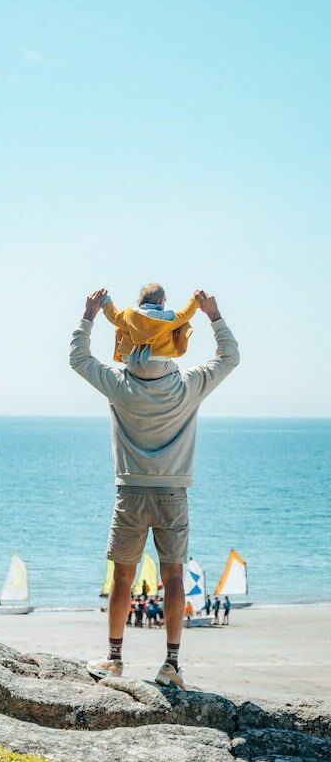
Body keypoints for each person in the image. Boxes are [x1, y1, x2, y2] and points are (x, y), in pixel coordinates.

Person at [71, 287, 239, 690]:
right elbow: (229, 357)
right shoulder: (188, 385)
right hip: (173, 495)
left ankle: (113, 659)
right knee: (174, 577)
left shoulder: (119, 383)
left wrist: (89, 316)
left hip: (129, 493)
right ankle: (172, 665)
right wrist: (214, 315)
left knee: (123, 578)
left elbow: (78, 358)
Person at [100, 283, 198, 367]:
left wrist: (106, 301)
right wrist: (195, 300)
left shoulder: (130, 315)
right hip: (159, 361)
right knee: (183, 325)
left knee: (119, 326)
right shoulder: (168, 318)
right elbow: (185, 314)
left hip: (131, 361)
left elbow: (113, 316)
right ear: (160, 301)